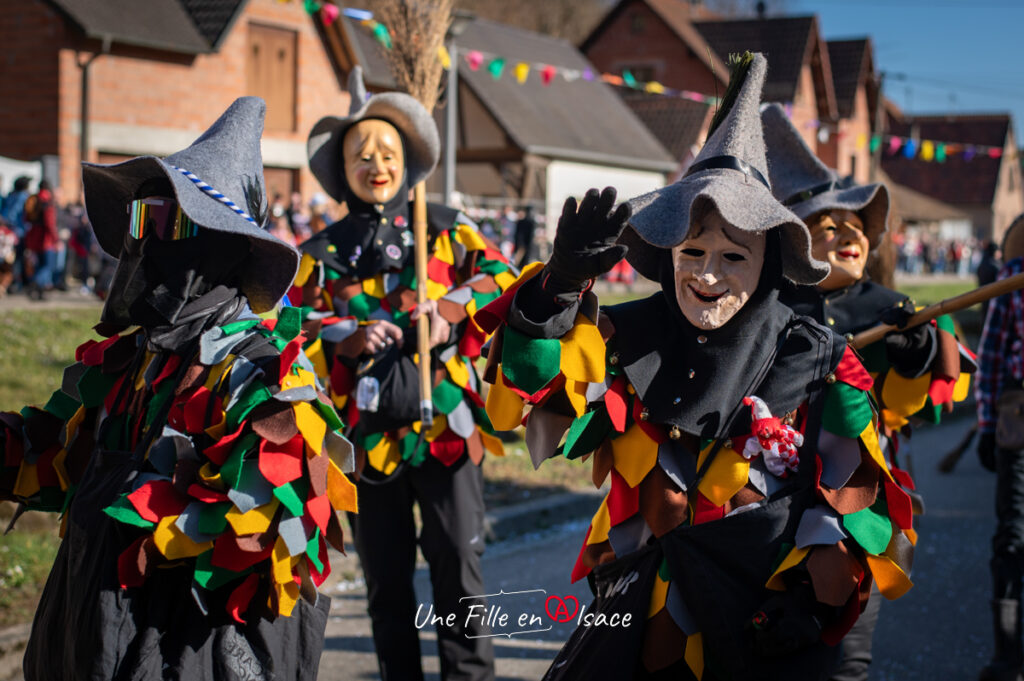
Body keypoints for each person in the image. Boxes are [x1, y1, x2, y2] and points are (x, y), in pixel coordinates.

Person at [477, 53, 916, 681]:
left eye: (734, 255)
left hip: (761, 626)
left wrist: (810, 603)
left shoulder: (818, 356)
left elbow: (857, 498)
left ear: (768, 264)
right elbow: (531, 399)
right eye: (693, 250)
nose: (707, 275)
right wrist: (556, 292)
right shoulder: (623, 336)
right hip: (642, 618)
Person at [0, 97, 358, 680]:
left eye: (172, 224)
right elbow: (57, 458)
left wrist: (150, 508)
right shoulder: (128, 361)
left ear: (224, 246)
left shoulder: (264, 375)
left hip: (178, 654)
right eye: (144, 222)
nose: (150, 245)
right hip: (83, 643)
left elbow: (275, 533)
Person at [295, 66, 516, 681]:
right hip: (367, 440)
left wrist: (449, 309)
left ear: (408, 161)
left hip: (447, 427)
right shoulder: (320, 253)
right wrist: (346, 334)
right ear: (343, 168)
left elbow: (502, 276)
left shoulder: (445, 227)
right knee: (386, 583)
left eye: (389, 152)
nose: (376, 164)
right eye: (361, 154)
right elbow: (290, 327)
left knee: (459, 575)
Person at [762, 103, 974, 681]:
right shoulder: (767, 309)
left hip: (860, 504)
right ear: (794, 240)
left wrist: (919, 352)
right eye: (828, 225)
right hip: (771, 503)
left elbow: (928, 393)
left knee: (848, 655)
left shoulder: (890, 308)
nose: (848, 233)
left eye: (856, 224)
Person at [977, 214, 1024, 681]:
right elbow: (990, 353)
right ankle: (1009, 657)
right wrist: (988, 425)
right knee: (1013, 537)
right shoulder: (1014, 277)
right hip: (1020, 421)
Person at [24, 179, 58, 300]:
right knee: (48, 265)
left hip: (34, 237)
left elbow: (26, 218)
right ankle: (36, 284)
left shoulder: (33, 200)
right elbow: (50, 223)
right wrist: (56, 239)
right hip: (46, 239)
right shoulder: (48, 201)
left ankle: (40, 293)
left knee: (39, 265)